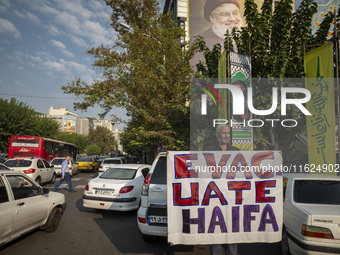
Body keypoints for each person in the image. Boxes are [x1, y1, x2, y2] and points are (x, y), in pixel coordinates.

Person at [204, 124, 238, 255]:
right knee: (216, 233)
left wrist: (275, 157)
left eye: (228, 133)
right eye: (224, 133)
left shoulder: (236, 151)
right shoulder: (208, 150)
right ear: (217, 135)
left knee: (232, 233)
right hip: (215, 200)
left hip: (232, 200)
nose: (227, 136)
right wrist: (171, 156)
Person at [192, 0, 244, 65]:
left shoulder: (248, 41)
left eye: (235, 13)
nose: (232, 19)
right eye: (224, 14)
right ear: (212, 18)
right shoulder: (196, 42)